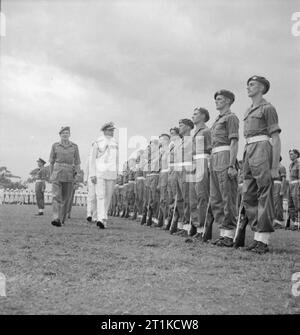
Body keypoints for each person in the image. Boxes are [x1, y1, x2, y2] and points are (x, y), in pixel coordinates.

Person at [242, 76, 281, 253]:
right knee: (248, 194)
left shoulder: (268, 108)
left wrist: (274, 167)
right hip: (249, 149)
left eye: (252, 84)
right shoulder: (248, 110)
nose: (248, 87)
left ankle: (263, 239)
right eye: (248, 85)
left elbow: (276, 138)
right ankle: (257, 234)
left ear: (262, 87)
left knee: (264, 192)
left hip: (262, 147)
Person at [210, 89, 239, 247]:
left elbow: (234, 142)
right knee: (216, 198)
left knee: (228, 197)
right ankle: (223, 233)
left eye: (220, 99)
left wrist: (231, 164)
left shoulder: (231, 117)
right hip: (215, 159)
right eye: (216, 99)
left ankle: (229, 234)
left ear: (228, 101)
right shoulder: (216, 120)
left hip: (225, 157)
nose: (217, 101)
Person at [49, 126, 81, 227]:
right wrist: (51, 175)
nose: (65, 135)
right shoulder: (55, 146)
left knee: (66, 198)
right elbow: (51, 162)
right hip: (57, 172)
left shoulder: (74, 147)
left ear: (69, 135)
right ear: (60, 135)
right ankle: (55, 218)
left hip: (69, 174)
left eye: (67, 133)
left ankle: (62, 219)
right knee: (56, 196)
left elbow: (77, 163)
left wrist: (77, 176)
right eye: (63, 133)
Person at [189, 107, 213, 240]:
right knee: (193, 196)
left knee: (202, 195)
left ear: (203, 116)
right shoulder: (194, 133)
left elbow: (210, 149)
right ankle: (197, 226)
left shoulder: (206, 131)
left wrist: (208, 166)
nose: (193, 116)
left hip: (203, 161)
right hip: (193, 163)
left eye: (196, 114)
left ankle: (204, 227)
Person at [89, 122, 118, 229]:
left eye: (113, 130)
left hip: (111, 173)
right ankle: (100, 218)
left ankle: (104, 217)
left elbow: (116, 160)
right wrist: (92, 174)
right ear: (105, 131)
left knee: (108, 196)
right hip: (99, 172)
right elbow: (92, 160)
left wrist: (117, 172)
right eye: (110, 130)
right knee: (100, 195)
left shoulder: (115, 143)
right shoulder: (98, 142)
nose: (112, 132)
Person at [169, 119, 194, 235]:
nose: (180, 127)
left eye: (182, 125)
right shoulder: (181, 142)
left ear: (189, 127)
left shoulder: (192, 140)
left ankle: (188, 226)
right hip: (179, 171)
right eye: (179, 125)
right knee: (179, 199)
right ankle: (182, 225)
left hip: (187, 170)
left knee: (187, 198)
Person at [157, 133, 171, 227]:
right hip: (162, 175)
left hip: (167, 174)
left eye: (161, 140)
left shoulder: (169, 150)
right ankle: (164, 221)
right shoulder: (162, 152)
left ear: (166, 140)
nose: (160, 142)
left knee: (167, 199)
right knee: (162, 199)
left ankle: (168, 221)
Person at [287, 149, 300, 230]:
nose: (290, 155)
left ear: (296, 155)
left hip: (296, 184)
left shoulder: (298, 165)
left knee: (297, 203)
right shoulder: (291, 165)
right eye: (290, 154)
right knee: (290, 204)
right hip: (290, 184)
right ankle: (295, 222)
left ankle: (298, 223)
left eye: (292, 154)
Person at [273, 156, 287, 228]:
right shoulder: (273, 168)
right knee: (273, 204)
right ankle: (275, 220)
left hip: (278, 185)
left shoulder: (281, 167)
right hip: (272, 186)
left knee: (278, 204)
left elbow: (284, 179)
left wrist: (282, 190)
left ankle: (279, 222)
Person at [85, 145, 97, 222]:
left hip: (99, 179)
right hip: (91, 179)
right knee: (91, 197)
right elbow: (86, 170)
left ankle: (95, 216)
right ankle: (89, 214)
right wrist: (86, 180)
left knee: (97, 198)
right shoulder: (89, 158)